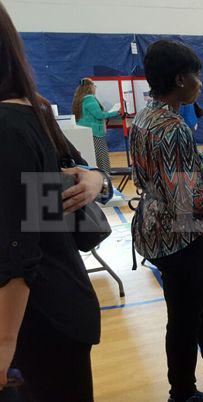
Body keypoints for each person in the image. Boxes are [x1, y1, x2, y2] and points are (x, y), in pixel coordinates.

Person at [0, 3, 114, 400]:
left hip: (40, 314)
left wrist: (94, 178)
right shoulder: (30, 111)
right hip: (51, 305)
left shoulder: (18, 119)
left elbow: (21, 249)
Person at [130, 40, 203, 402]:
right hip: (181, 237)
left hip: (153, 229)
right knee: (183, 318)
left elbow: (156, 177)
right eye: (197, 76)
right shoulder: (175, 128)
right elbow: (186, 201)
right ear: (181, 80)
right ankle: (182, 393)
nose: (201, 83)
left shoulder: (143, 118)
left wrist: (202, 178)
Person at [72, 77, 122, 173]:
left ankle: (100, 173)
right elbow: (99, 115)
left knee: (96, 154)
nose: (95, 87)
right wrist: (116, 112)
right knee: (101, 154)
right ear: (90, 87)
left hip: (87, 131)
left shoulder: (79, 99)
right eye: (94, 85)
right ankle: (105, 174)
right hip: (95, 132)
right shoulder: (90, 100)